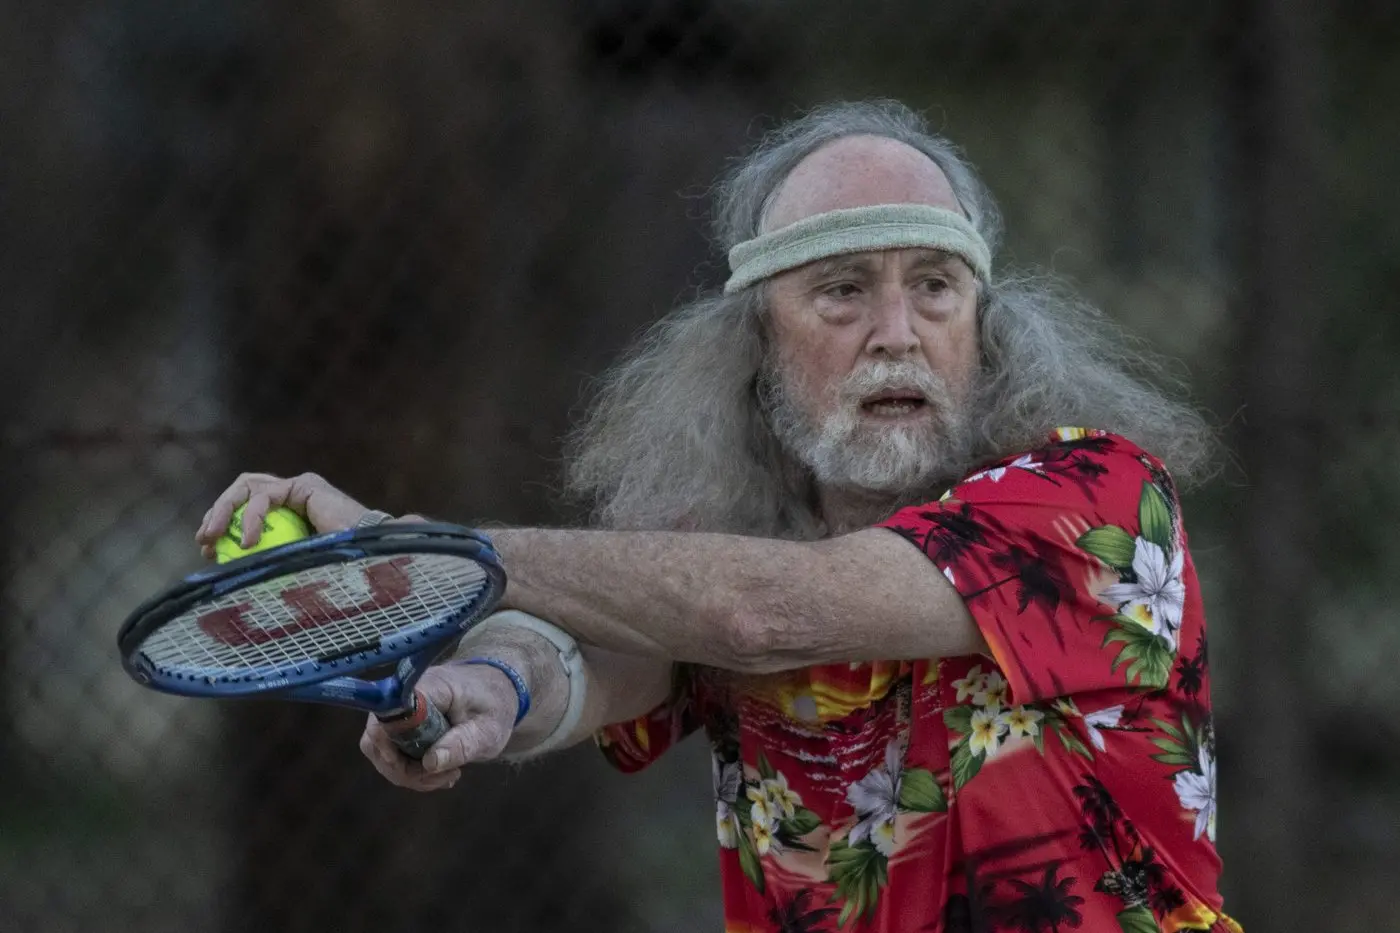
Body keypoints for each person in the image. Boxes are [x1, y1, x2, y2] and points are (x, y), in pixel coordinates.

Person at [196, 100, 1240, 932]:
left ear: (986, 323)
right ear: (753, 344)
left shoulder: (1095, 497)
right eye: (842, 290)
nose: (897, 331)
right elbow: (599, 655)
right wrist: (486, 687)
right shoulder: (738, 546)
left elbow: (764, 614)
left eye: (934, 286)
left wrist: (418, 554)